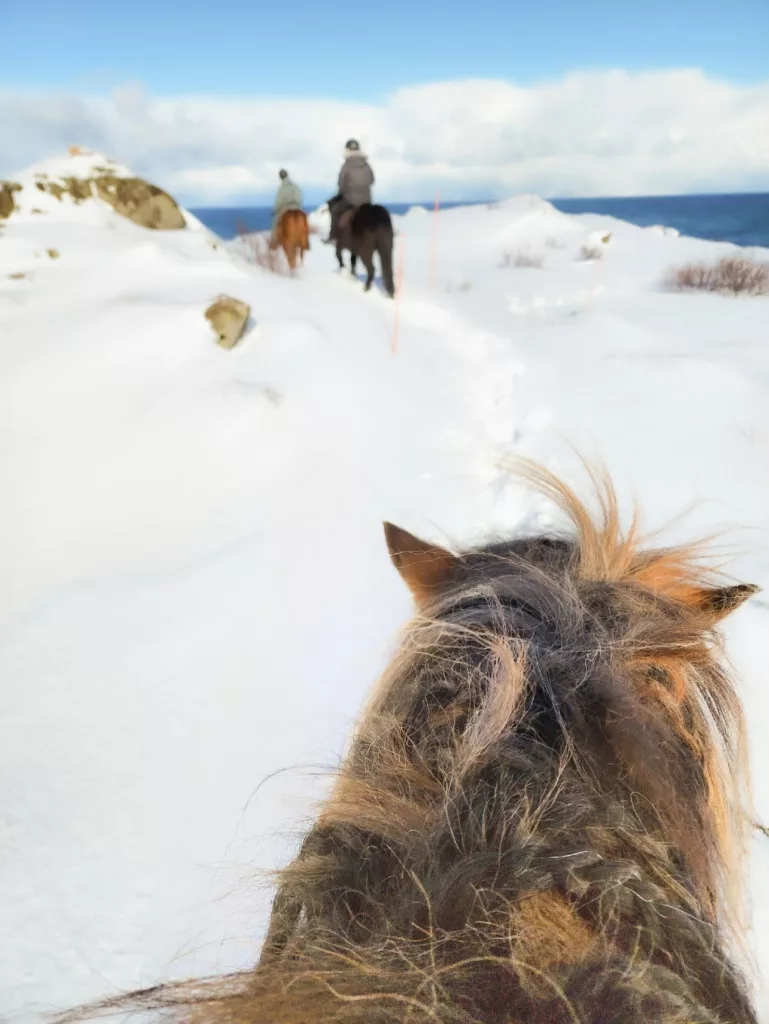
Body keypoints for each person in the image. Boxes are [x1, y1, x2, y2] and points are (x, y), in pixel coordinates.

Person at [324, 139, 375, 244]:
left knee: (335, 211)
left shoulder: (346, 165)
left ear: (347, 150)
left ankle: (333, 237)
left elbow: (341, 184)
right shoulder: (367, 165)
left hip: (351, 201)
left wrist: (342, 192)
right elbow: (372, 180)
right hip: (366, 200)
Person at [271, 169, 303, 246]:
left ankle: (274, 243)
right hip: (297, 208)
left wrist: (275, 210)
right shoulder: (295, 185)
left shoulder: (282, 187)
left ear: (280, 177)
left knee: (275, 223)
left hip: (286, 209)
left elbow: (279, 201)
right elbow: (300, 196)